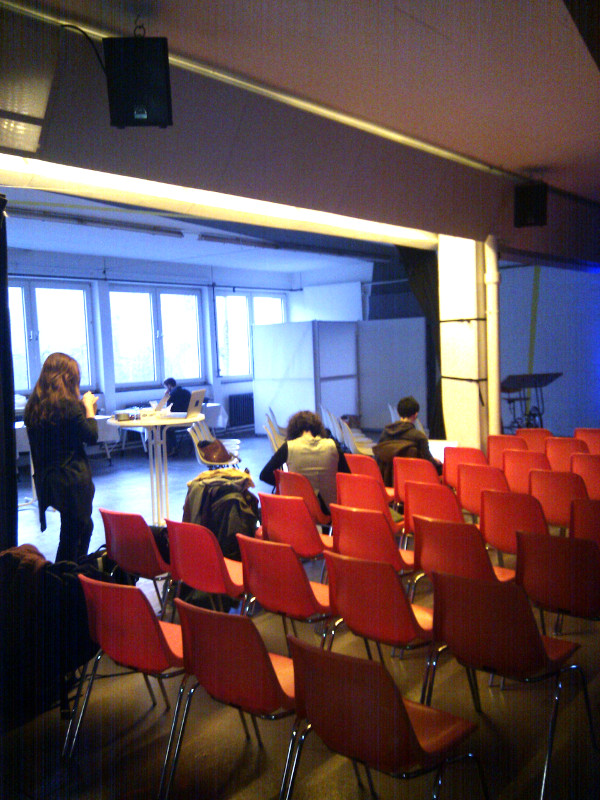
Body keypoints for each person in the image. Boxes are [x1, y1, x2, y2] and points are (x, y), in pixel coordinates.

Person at [24, 352, 98, 563]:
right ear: (67, 378)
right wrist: (89, 409)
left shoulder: (34, 407)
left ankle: (74, 574)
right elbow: (91, 436)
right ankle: (66, 577)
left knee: (79, 528)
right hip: (72, 478)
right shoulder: (69, 406)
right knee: (73, 535)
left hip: (50, 478)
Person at [260, 410, 349, 512]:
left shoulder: (288, 447)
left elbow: (264, 475)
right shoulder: (333, 445)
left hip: (299, 510)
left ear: (293, 430)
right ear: (318, 429)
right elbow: (346, 478)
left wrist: (287, 485)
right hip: (331, 510)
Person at [376, 395, 442, 478]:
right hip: (411, 480)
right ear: (416, 415)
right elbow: (428, 463)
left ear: (398, 413)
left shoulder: (386, 433)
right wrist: (435, 462)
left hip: (387, 481)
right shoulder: (419, 437)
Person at [161, 378, 191, 455]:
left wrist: (166, 396)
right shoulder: (187, 392)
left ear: (169, 386)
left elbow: (168, 409)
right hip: (189, 420)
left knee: (163, 427)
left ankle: (170, 449)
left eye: (166, 387)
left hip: (177, 420)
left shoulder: (172, 394)